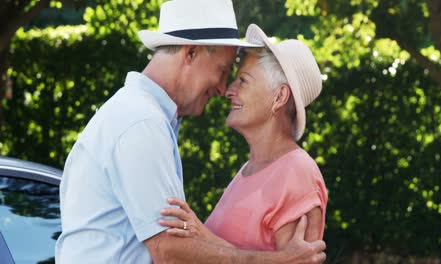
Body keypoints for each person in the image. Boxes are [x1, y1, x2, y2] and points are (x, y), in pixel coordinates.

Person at [55, 0, 326, 263]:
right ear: (191, 53)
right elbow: (171, 252)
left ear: (279, 97)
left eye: (240, 79)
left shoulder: (144, 118)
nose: (223, 89)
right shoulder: (141, 123)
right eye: (223, 71)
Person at [159, 23, 328, 252]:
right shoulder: (249, 170)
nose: (229, 91)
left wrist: (202, 234)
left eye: (243, 81)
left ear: (279, 97)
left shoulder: (298, 174)